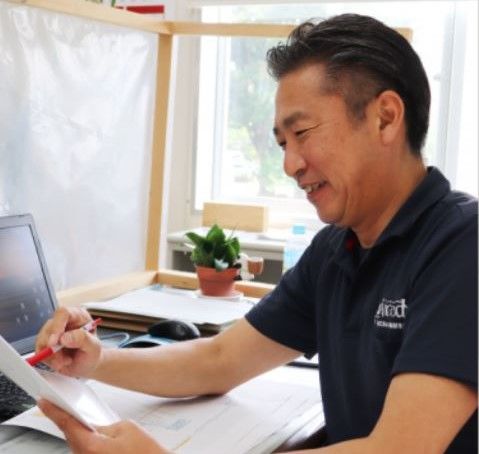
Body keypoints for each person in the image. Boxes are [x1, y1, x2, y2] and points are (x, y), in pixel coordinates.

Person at [36, 13, 477, 453]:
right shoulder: (336, 249)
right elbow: (220, 360)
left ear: (385, 118)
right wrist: (96, 360)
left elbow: (400, 447)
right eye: (283, 143)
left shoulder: (462, 244)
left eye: (302, 132)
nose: (290, 165)